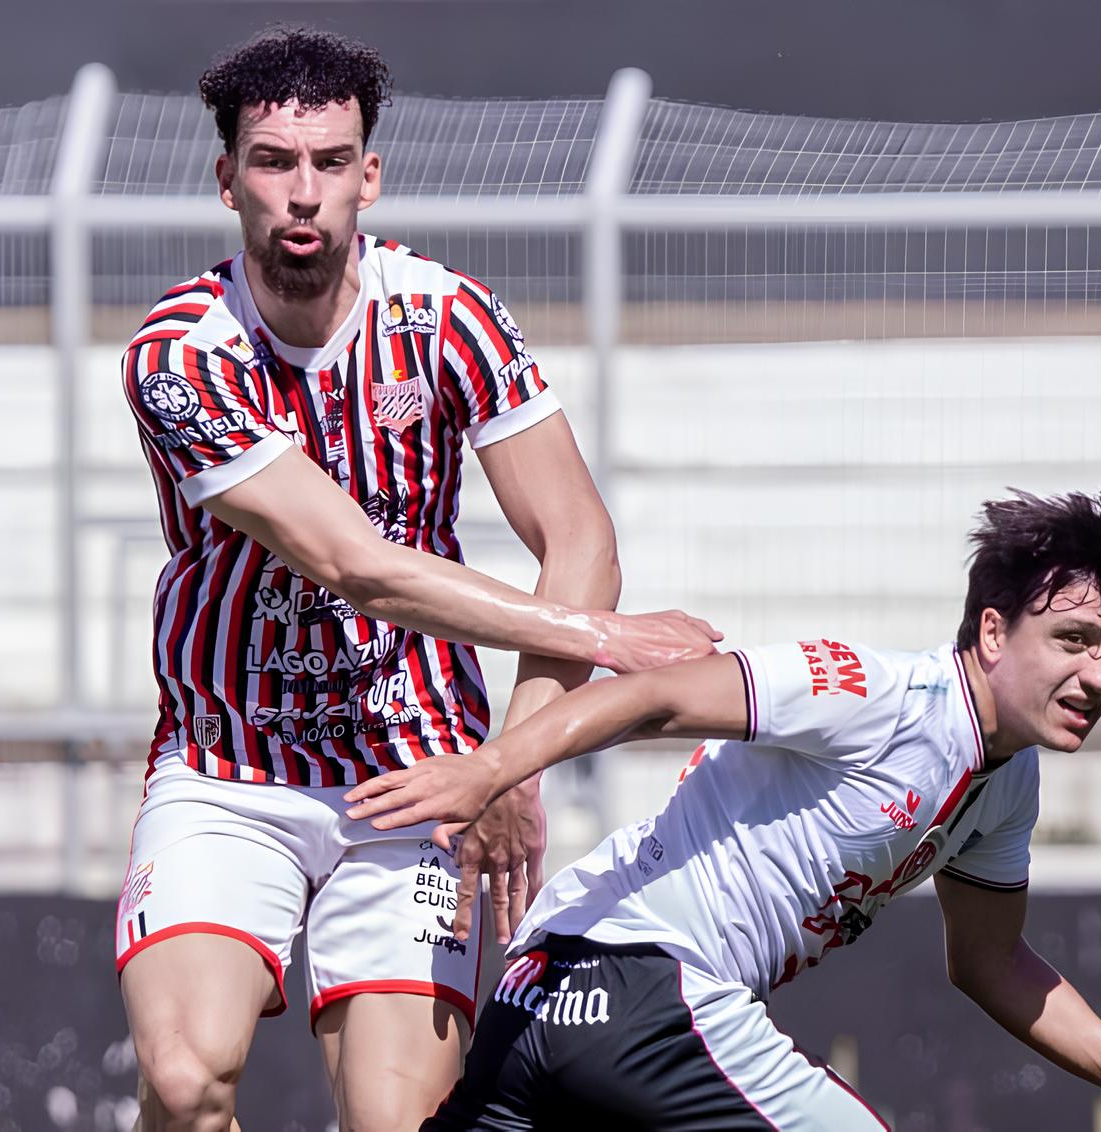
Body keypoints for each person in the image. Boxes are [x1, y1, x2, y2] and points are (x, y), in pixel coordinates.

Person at [114, 26, 719, 1132]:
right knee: (185, 1077)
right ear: (225, 179)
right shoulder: (180, 354)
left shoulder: (446, 316)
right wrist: (612, 640)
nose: (302, 194)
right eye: (271, 163)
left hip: (413, 774)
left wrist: (503, 763)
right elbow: (356, 567)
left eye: (329, 163)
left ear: (368, 175)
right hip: (228, 765)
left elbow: (578, 534)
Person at [346, 486, 1101, 1132]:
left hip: (542, 1001)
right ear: (993, 631)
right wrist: (491, 771)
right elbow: (654, 695)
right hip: (640, 982)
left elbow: (991, 962)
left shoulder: (1008, 783)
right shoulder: (875, 692)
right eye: (1073, 639)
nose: (1100, 675)